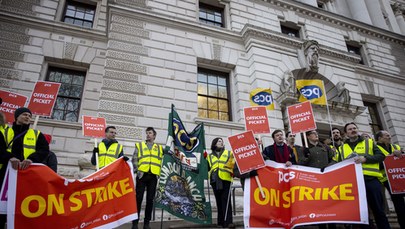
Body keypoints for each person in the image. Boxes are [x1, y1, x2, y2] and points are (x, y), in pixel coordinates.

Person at [0, 107, 49, 228]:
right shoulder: (5, 131)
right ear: (17, 117)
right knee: (2, 207)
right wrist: (9, 157)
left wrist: (31, 159)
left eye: (29, 115)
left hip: (26, 176)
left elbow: (44, 150)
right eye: (24, 114)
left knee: (23, 206)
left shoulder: (36, 134)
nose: (28, 117)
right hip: (5, 174)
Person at [337, 122, 390, 229]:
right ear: (346, 133)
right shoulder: (341, 148)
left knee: (378, 211)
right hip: (354, 183)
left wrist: (366, 159)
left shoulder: (369, 142)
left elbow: (381, 156)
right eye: (350, 129)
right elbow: (337, 164)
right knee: (362, 214)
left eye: (354, 128)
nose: (353, 130)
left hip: (371, 181)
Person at [132, 127, 163, 229]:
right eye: (147, 133)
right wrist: (137, 170)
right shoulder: (140, 145)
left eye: (150, 133)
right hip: (142, 175)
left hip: (153, 176)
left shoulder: (159, 148)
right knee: (138, 199)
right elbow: (134, 158)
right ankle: (135, 223)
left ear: (154, 135)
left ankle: (146, 223)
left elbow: (166, 157)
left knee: (150, 200)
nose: (148, 135)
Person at [375, 130, 405, 229]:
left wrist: (401, 153)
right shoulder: (375, 148)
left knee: (400, 204)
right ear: (380, 138)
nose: (389, 137)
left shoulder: (396, 147)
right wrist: (388, 160)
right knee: (398, 204)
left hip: (399, 178)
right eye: (387, 135)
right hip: (384, 179)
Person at [207, 137, 235, 228]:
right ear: (214, 143)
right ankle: (220, 222)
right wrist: (203, 159)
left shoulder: (229, 153)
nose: (221, 143)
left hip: (226, 179)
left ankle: (229, 222)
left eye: (222, 142)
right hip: (214, 180)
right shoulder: (209, 156)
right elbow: (207, 168)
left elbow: (234, 163)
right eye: (219, 141)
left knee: (226, 200)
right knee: (218, 201)